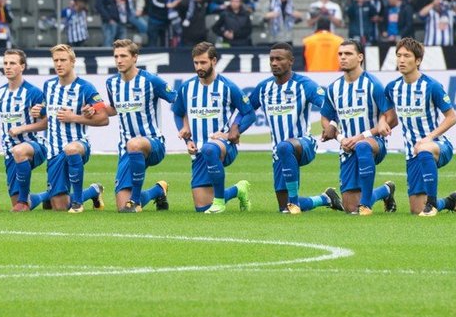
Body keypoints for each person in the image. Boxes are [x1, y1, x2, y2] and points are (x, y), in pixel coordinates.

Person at [248, 43, 333, 215]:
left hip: (304, 144)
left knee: (285, 146)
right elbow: (246, 111)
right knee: (283, 208)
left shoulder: (304, 85)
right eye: (271, 59)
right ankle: (325, 199)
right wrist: (234, 129)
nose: (274, 63)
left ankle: (294, 203)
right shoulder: (264, 88)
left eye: (279, 59)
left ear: (291, 61)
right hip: (278, 152)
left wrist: (331, 124)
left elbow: (328, 104)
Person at [385, 38, 456, 217]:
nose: (401, 60)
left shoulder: (432, 86)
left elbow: (451, 117)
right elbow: (388, 116)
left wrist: (429, 137)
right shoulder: (392, 88)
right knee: (416, 210)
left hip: (437, 146)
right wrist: (383, 122)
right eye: (398, 56)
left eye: (407, 56)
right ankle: (449, 201)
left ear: (418, 61)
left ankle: (431, 204)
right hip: (411, 153)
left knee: (424, 149)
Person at [173, 42, 253, 213]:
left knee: (210, 148)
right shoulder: (187, 87)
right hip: (199, 151)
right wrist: (187, 139)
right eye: (196, 63)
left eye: (203, 62)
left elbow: (249, 113)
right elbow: (178, 112)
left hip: (223, 147)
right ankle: (239, 190)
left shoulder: (227, 86)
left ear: (213, 61)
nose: (199, 67)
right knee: (202, 208)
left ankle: (219, 202)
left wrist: (233, 131)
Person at [319, 40, 397, 215]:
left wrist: (363, 135)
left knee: (362, 146)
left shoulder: (373, 84)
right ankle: (386, 190)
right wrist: (340, 138)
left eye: (348, 54)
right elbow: (325, 118)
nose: (343, 57)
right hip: (347, 147)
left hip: (373, 143)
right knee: (350, 209)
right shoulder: (333, 88)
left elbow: (392, 118)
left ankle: (366, 206)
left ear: (360, 57)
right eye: (340, 54)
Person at [29, 44, 108, 213]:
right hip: (54, 151)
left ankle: (78, 203)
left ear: (72, 62)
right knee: (59, 206)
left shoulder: (86, 88)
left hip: (78, 144)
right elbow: (46, 112)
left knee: (71, 149)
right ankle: (93, 191)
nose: (59, 64)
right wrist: (39, 111)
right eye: (56, 60)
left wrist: (75, 117)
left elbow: (103, 118)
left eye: (63, 60)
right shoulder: (48, 86)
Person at [103, 39, 175, 212]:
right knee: (122, 207)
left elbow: (177, 99)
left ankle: (135, 200)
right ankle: (158, 190)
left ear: (135, 57)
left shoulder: (151, 81)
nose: (119, 60)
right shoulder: (111, 83)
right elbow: (114, 108)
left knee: (135, 143)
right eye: (116, 56)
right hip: (126, 148)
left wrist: (186, 127)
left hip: (153, 143)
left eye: (123, 56)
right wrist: (92, 110)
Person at [0, 49, 50, 211]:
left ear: (22, 67)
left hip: (34, 145)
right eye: (5, 63)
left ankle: (24, 201)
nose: (8, 67)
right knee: (15, 203)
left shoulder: (33, 93)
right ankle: (47, 195)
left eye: (12, 63)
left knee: (21, 204)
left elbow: (46, 122)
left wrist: (23, 128)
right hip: (10, 151)